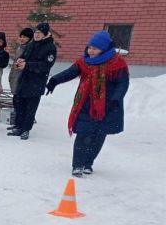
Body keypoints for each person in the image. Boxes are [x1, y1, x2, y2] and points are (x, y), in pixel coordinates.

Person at [45, 30, 129, 177]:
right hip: (85, 104)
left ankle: (88, 163)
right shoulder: (84, 62)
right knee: (84, 134)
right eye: (90, 47)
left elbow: (123, 83)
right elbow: (70, 72)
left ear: (104, 49)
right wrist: (55, 80)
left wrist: (116, 99)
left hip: (108, 106)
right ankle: (77, 165)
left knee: (98, 136)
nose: (90, 51)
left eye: (95, 48)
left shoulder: (117, 64)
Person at [8, 22, 57, 140]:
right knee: (20, 104)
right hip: (24, 80)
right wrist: (20, 61)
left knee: (30, 108)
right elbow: (24, 56)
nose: (36, 34)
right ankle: (19, 126)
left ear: (45, 34)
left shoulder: (50, 47)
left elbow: (46, 65)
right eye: (35, 32)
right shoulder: (31, 44)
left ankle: (26, 129)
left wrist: (27, 65)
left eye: (39, 32)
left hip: (36, 82)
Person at [8, 28, 33, 94]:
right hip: (15, 77)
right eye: (21, 37)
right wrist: (11, 76)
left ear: (29, 38)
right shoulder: (20, 48)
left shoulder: (31, 49)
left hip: (23, 81)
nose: (22, 39)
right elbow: (15, 64)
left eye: (24, 37)